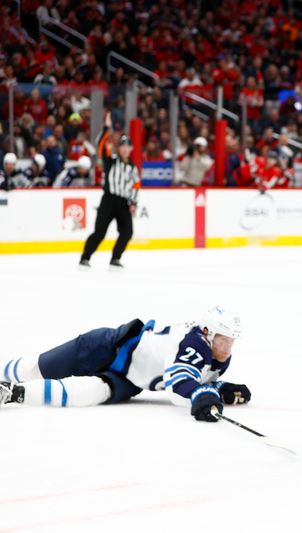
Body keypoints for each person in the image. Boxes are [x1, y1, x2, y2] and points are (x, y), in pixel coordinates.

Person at [0, 306, 250, 422]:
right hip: (105, 347)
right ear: (207, 332)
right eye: (222, 340)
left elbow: (197, 378)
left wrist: (219, 387)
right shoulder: (194, 343)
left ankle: (14, 393)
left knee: (93, 393)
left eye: (231, 342)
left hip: (131, 380)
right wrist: (201, 393)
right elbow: (179, 381)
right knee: (36, 368)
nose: (227, 348)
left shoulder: (218, 356)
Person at [80, 112, 140, 270]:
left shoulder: (132, 168)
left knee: (127, 232)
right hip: (108, 200)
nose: (125, 149)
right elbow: (100, 143)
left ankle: (115, 258)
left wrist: (133, 202)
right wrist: (106, 127)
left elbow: (136, 185)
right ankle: (85, 258)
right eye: (123, 146)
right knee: (99, 232)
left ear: (131, 148)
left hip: (123, 203)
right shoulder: (111, 160)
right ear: (118, 148)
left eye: (128, 146)